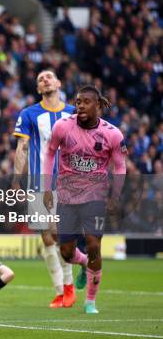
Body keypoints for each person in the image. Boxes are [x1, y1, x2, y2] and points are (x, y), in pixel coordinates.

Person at [44, 85, 127, 314]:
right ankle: (81, 263)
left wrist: (115, 196)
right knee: (66, 252)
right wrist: (46, 188)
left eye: (86, 102)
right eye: (78, 101)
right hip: (67, 196)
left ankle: (90, 301)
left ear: (98, 105)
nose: (80, 106)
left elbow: (120, 166)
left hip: (95, 197)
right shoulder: (62, 127)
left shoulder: (112, 134)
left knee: (94, 247)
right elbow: (50, 153)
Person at [13, 69, 80, 308]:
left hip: (69, 181)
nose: (45, 79)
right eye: (41, 79)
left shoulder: (74, 113)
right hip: (38, 181)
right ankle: (60, 291)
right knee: (46, 235)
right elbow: (22, 147)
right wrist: (16, 179)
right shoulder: (29, 114)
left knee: (59, 230)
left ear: (59, 83)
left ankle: (70, 284)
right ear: (38, 89)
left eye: (49, 76)